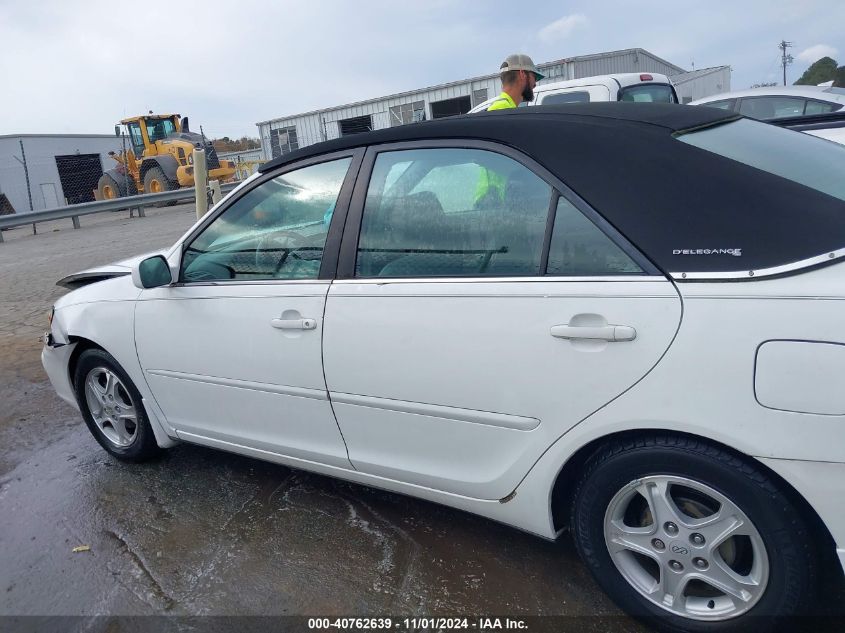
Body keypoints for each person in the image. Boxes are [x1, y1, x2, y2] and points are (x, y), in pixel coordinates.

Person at [475, 54, 544, 205]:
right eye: (534, 77)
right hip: (496, 204)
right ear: (522, 74)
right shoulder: (502, 112)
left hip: (498, 201)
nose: (535, 84)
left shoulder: (505, 109)